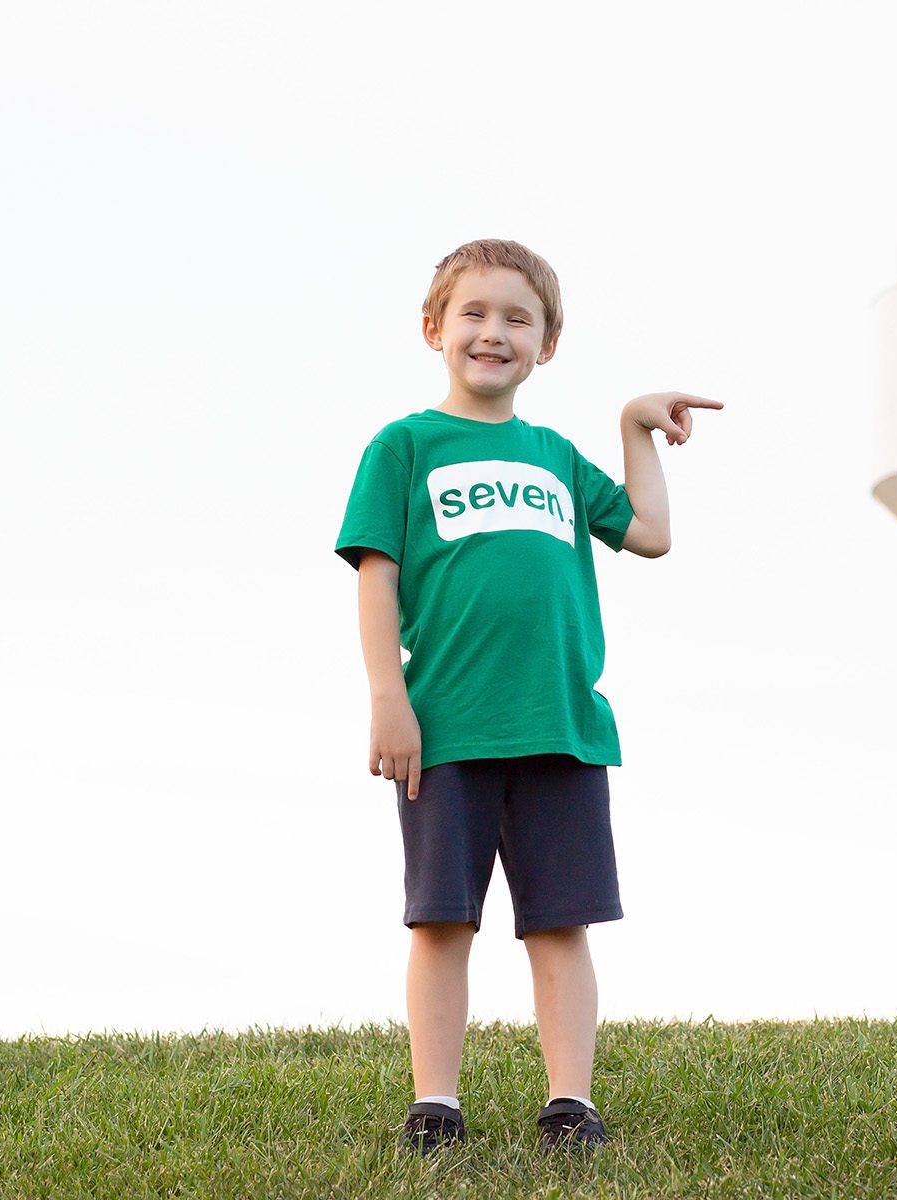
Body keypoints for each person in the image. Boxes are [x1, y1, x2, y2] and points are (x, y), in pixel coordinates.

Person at [334, 238, 720, 1153]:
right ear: (434, 328)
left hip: (561, 727)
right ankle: (436, 1102)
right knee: (441, 919)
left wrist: (634, 428)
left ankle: (570, 1103)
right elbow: (376, 578)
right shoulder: (404, 447)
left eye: (518, 318)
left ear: (547, 344)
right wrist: (389, 698)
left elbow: (653, 533)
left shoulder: (555, 456)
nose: (493, 332)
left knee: (560, 921)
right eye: (474, 313)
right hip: (449, 727)